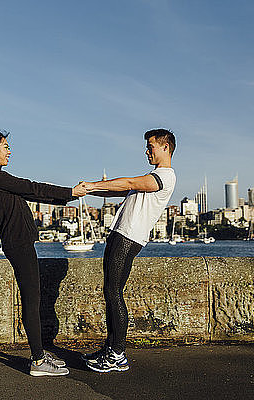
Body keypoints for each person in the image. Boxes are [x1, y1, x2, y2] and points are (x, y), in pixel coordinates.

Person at [0, 130, 87, 377]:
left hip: (19, 242)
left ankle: (40, 354)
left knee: (33, 298)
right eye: (5, 146)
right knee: (32, 300)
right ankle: (37, 360)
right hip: (18, 244)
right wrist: (70, 193)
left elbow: (32, 193)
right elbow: (33, 187)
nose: (9, 151)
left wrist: (67, 197)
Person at [81, 128, 176, 373]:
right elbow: (121, 189)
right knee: (110, 291)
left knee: (114, 292)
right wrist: (89, 190)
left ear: (165, 147)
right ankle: (110, 348)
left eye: (151, 146)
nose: (147, 151)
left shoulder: (165, 176)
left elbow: (130, 182)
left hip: (129, 236)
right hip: (120, 233)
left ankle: (118, 354)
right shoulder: (152, 176)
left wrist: (93, 184)